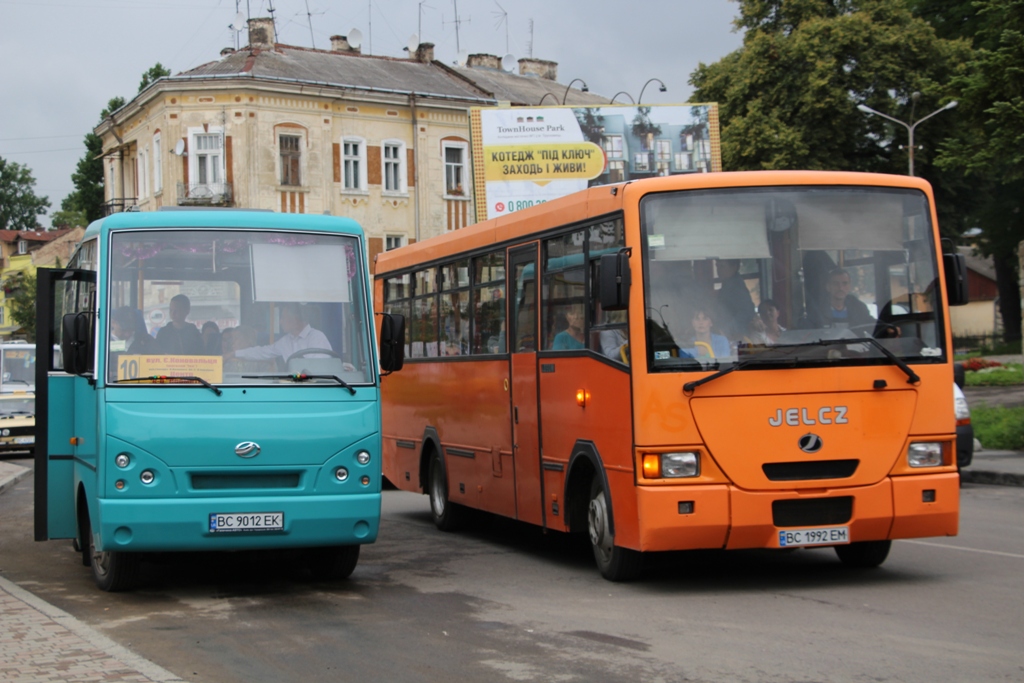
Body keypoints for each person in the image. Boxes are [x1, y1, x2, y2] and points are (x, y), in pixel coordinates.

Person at [228, 304, 333, 362]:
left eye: (283, 317)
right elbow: (263, 352)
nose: (280, 322)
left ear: (295, 319)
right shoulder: (286, 341)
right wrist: (235, 353)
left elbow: (318, 370)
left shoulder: (317, 337)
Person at [715, 259, 756, 340]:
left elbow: (746, 312)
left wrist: (726, 330)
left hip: (736, 336)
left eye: (722, 266)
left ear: (735, 267)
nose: (718, 270)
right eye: (717, 266)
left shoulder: (737, 287)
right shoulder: (727, 285)